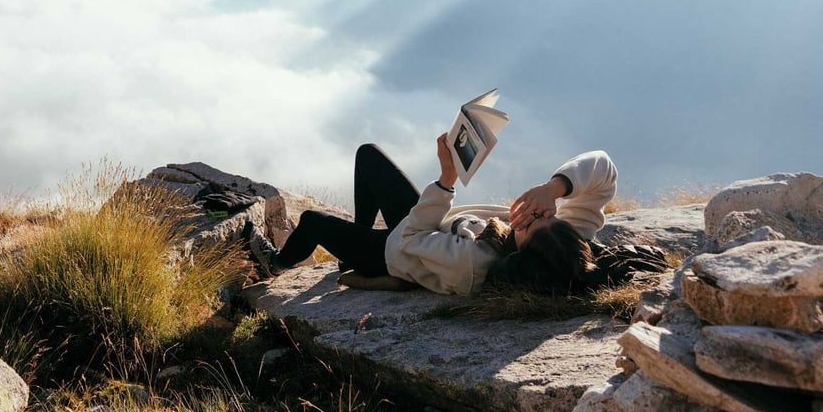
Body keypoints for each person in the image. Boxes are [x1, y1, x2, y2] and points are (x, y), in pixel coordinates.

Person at [247, 134, 617, 296]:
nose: (532, 214)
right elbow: (603, 168)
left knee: (311, 222)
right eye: (547, 216)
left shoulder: (471, 265)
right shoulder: (565, 241)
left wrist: (446, 179)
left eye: (531, 225)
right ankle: (349, 250)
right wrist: (555, 189)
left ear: (520, 256)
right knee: (368, 155)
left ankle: (275, 266)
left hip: (397, 252)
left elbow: (412, 238)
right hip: (430, 222)